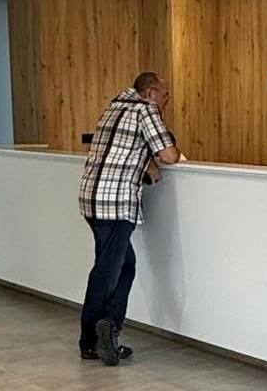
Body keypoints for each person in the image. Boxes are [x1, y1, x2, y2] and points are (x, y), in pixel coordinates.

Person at [77, 72, 181, 366]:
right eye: (164, 95)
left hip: (92, 199)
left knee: (123, 266)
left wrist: (145, 162)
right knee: (107, 273)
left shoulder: (114, 107)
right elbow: (170, 155)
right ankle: (94, 339)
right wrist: (158, 155)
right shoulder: (145, 109)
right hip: (115, 203)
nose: (166, 101)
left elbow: (121, 148)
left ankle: (106, 328)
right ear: (150, 92)